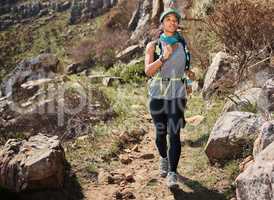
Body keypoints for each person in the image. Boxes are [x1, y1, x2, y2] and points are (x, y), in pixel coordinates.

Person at [144, 8, 195, 189]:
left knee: (174, 134)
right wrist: (163, 58)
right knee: (160, 134)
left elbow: (184, 69)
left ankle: (172, 173)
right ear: (162, 22)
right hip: (157, 94)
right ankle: (163, 158)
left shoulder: (183, 44)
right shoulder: (153, 45)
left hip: (177, 94)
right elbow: (148, 71)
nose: (172, 22)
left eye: (175, 20)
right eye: (169, 19)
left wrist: (189, 77)